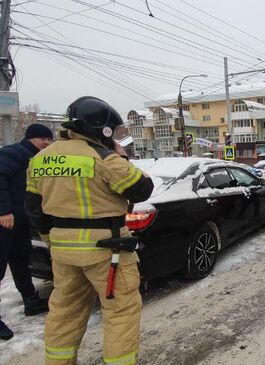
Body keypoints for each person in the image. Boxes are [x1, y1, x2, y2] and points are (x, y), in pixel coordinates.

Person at [25, 96, 153, 365]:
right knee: (120, 312)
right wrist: (122, 156)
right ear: (101, 129)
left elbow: (34, 208)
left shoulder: (40, 159)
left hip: (63, 250)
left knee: (64, 311)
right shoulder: (105, 157)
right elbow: (142, 189)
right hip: (107, 250)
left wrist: (53, 240)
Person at [0, 124, 53, 340]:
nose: (47, 143)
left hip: (21, 223)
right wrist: (3, 210)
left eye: (49, 140)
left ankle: (31, 302)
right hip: (5, 221)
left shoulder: (39, 158)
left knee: (21, 261)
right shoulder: (14, 152)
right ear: (31, 138)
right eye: (42, 139)